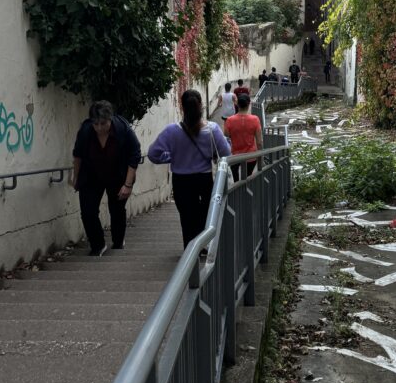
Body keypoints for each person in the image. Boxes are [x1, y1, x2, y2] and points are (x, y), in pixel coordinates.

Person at [148, 89, 231, 249]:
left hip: (181, 181)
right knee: (205, 215)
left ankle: (189, 252)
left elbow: (153, 154)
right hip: (204, 180)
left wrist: (170, 157)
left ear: (182, 107)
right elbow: (226, 153)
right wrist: (211, 153)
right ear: (201, 106)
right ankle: (204, 246)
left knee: (186, 218)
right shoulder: (212, 129)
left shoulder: (171, 131)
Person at [72, 101, 141, 257]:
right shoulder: (85, 131)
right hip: (91, 175)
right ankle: (98, 245)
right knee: (88, 211)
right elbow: (77, 155)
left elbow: (134, 156)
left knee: (116, 210)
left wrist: (127, 185)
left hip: (117, 175)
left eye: (103, 123)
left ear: (110, 119)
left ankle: (118, 242)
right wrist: (76, 177)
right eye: (96, 124)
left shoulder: (123, 130)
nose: (99, 128)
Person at [224, 93, 263, 181]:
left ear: (237, 104)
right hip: (251, 156)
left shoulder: (229, 120)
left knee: (236, 180)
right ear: (249, 104)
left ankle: (237, 192)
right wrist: (261, 158)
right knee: (247, 179)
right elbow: (259, 142)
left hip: (235, 156)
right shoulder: (255, 119)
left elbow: (226, 135)